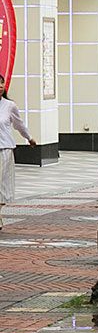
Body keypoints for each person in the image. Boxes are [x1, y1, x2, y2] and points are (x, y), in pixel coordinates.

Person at [0, 74, 35, 230]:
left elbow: (19, 124)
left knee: (2, 184)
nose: (0, 86)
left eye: (1, 83)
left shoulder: (9, 106)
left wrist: (29, 138)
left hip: (4, 149)